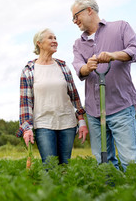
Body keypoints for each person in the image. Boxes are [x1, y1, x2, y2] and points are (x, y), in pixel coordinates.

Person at [70, 0, 136, 174]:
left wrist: (113, 55)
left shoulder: (120, 27)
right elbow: (78, 67)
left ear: (89, 10)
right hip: (94, 112)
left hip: (120, 106)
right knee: (104, 162)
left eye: (76, 16)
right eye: (73, 18)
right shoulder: (78, 44)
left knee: (130, 160)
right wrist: (86, 67)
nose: (75, 21)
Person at [16, 28, 89, 165]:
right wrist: (26, 128)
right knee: (49, 165)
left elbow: (74, 95)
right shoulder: (29, 70)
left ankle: (63, 187)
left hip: (67, 122)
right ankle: (50, 187)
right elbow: (25, 103)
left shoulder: (62, 66)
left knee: (64, 165)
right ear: (39, 43)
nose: (55, 41)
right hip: (43, 123)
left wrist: (82, 121)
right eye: (50, 38)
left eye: (55, 38)